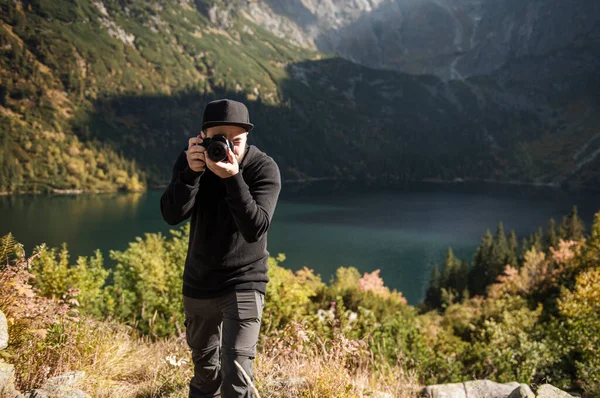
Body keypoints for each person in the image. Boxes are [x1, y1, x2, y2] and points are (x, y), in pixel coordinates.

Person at [160, 98, 281, 397]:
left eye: (236, 142)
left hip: (244, 282)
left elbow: (255, 229)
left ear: (247, 139)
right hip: (199, 285)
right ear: (203, 138)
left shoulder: (263, 168)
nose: (228, 149)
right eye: (219, 140)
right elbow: (171, 215)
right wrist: (190, 174)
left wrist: (233, 178)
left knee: (237, 376)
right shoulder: (191, 162)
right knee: (205, 376)